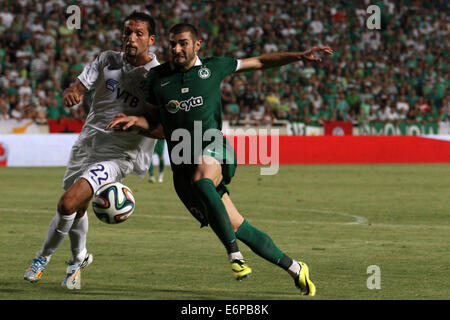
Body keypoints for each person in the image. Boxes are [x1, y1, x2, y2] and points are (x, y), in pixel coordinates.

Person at [107, 23, 332, 296]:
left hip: (214, 148)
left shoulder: (214, 67)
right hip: (182, 165)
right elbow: (156, 124)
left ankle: (234, 256)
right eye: (172, 44)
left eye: (183, 43)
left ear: (197, 45)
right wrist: (135, 121)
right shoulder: (157, 78)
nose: (176, 49)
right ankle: (296, 268)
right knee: (237, 226)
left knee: (203, 180)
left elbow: (260, 61)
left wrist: (298, 55)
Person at [23, 12, 162, 290]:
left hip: (119, 155)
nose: (131, 38)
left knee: (67, 203)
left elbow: (163, 129)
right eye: (127, 32)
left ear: (151, 39)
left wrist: (134, 123)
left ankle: (42, 257)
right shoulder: (107, 59)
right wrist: (71, 94)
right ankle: (79, 259)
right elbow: (76, 87)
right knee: (78, 208)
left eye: (138, 33)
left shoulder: (156, 77)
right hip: (86, 144)